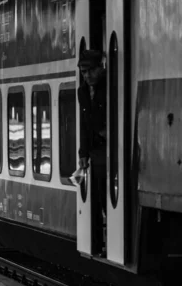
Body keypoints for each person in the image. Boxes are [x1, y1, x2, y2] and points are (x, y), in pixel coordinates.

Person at [77, 49, 107, 256]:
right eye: (83, 72)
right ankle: (99, 241)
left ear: (100, 68)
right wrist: (83, 153)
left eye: (89, 71)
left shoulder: (109, 87)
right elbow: (84, 124)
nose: (86, 76)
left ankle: (107, 241)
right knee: (96, 195)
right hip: (94, 150)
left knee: (106, 196)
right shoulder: (82, 92)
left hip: (108, 149)